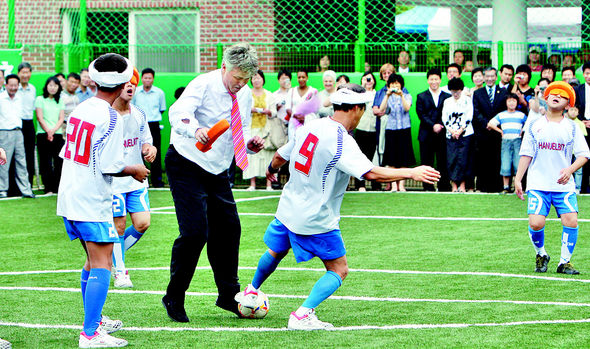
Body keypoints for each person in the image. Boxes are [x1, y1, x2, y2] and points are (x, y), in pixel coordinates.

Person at [234, 84, 440, 330]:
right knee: (339, 269)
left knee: (276, 251)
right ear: (355, 108)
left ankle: (251, 291)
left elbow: (280, 156)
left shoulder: (310, 126)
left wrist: (270, 170)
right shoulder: (342, 140)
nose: (360, 116)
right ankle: (302, 315)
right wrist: (412, 172)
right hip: (315, 218)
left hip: (287, 209)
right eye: (361, 111)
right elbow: (371, 173)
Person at [162, 43, 264, 323]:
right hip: (186, 161)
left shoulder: (242, 94)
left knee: (229, 228)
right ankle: (174, 296)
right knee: (195, 232)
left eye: (246, 80)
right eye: (237, 78)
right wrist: (195, 128)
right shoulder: (203, 84)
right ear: (224, 67)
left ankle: (228, 295)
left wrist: (250, 145)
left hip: (217, 169)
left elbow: (239, 128)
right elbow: (178, 112)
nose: (240, 84)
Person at [57, 53, 149, 348]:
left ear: (94, 79)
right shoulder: (112, 117)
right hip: (91, 198)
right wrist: (134, 169)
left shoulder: (82, 107)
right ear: (124, 82)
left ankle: (94, 321)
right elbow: (111, 165)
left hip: (69, 193)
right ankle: (90, 333)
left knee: (91, 260)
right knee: (102, 263)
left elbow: (69, 152)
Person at [515, 81, 590, 275]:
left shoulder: (572, 128)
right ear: (546, 98)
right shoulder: (534, 125)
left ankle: (564, 262)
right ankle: (541, 254)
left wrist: (569, 170)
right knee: (536, 223)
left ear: (568, 104)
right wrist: (518, 179)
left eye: (562, 95)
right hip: (538, 183)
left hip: (563, 186)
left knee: (571, 220)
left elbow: (584, 154)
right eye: (553, 93)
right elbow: (526, 153)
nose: (556, 96)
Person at [111, 67, 157, 288]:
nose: (130, 86)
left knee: (142, 223)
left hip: (136, 181)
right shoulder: (107, 115)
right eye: (126, 83)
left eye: (133, 83)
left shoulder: (138, 113)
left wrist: (150, 149)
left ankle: (110, 253)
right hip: (113, 182)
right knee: (118, 227)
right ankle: (120, 271)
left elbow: (146, 140)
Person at [416, 68, 452, 192]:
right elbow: (421, 114)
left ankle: (444, 187)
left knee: (443, 162)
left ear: (440, 80)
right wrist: (433, 125)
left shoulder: (447, 96)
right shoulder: (421, 96)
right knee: (427, 162)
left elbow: (448, 114)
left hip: (442, 134)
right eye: (431, 79)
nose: (434, 81)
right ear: (428, 80)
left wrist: (440, 125)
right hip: (426, 134)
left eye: (436, 79)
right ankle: (428, 187)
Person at [472, 66, 507, 193]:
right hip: (483, 132)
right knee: (483, 159)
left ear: (496, 77)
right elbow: (476, 112)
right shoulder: (477, 93)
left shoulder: (503, 92)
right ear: (483, 77)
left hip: (498, 132)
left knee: (497, 159)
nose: (490, 79)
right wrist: (487, 123)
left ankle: (497, 186)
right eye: (487, 76)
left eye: (492, 76)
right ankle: (482, 186)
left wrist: (495, 124)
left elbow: (504, 111)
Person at [378, 74, 415, 192]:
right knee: (391, 159)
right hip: (391, 129)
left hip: (404, 129)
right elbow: (381, 109)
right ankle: (394, 185)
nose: (395, 85)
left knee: (404, 158)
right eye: (392, 83)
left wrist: (401, 95)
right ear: (389, 85)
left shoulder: (407, 95)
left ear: (401, 85)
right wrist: (387, 96)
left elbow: (407, 108)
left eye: (397, 83)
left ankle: (402, 185)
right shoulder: (386, 95)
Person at [0, 74, 34, 198]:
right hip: (4, 132)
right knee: (3, 162)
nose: (13, 88)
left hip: (19, 132)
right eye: (11, 85)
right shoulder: (1, 97)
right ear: (6, 85)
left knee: (21, 161)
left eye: (16, 85)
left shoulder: (20, 98)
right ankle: (2, 190)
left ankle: (26, 190)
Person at [132, 68, 166, 188]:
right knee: (138, 152)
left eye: (150, 78)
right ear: (141, 79)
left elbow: (161, 109)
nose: (147, 80)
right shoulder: (136, 92)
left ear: (153, 79)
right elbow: (132, 108)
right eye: (145, 78)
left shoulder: (159, 93)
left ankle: (157, 181)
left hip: (154, 124)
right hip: (138, 124)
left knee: (154, 152)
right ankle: (141, 179)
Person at [487, 93, 527, 193]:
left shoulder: (521, 115)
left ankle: (516, 186)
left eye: (514, 100)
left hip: (517, 141)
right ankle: (506, 187)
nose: (511, 103)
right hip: (506, 141)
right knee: (505, 163)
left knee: (518, 164)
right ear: (506, 102)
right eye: (509, 101)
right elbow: (490, 124)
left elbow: (529, 124)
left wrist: (522, 130)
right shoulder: (502, 114)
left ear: (517, 102)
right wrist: (500, 131)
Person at [244, 70, 275, 191]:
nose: (256, 80)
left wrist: (268, 111)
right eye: (254, 78)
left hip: (266, 129)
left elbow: (274, 112)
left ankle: (269, 184)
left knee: (267, 155)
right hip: (251, 128)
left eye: (259, 78)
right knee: (252, 156)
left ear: (263, 79)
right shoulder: (247, 94)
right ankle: (252, 184)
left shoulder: (269, 94)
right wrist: (252, 110)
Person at [442, 78, 474, 192]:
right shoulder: (447, 101)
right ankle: (454, 185)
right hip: (451, 135)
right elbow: (444, 118)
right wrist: (452, 131)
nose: (455, 94)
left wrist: (461, 130)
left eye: (458, 91)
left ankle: (463, 185)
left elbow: (469, 116)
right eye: (453, 91)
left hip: (465, 134)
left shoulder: (467, 100)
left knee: (464, 159)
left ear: (461, 90)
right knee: (452, 159)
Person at [35, 76, 65, 194]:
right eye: (50, 85)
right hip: (43, 134)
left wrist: (53, 131)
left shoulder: (60, 101)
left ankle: (57, 187)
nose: (53, 88)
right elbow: (39, 117)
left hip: (57, 134)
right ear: (46, 86)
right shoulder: (40, 99)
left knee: (59, 161)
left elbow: (61, 118)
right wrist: (48, 131)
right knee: (45, 162)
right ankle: (47, 188)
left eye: (55, 86)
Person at [354, 72, 378, 191]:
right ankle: (360, 184)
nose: (368, 81)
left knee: (373, 157)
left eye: (370, 79)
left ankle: (375, 185)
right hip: (361, 128)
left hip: (373, 129)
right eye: (365, 79)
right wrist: (363, 88)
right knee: (360, 157)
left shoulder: (377, 94)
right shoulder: (359, 95)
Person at [17, 62, 37, 187]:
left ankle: (29, 183)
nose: (25, 75)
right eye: (23, 72)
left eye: (28, 72)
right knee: (18, 155)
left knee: (29, 154)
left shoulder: (33, 89)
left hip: (29, 124)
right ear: (18, 73)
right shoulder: (13, 88)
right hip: (17, 123)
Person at [286, 69, 319, 140]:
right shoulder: (291, 91)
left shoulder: (313, 91)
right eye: (299, 77)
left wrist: (305, 118)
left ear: (307, 78)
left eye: (303, 77)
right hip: (294, 123)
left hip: (309, 123)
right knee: (294, 144)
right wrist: (296, 116)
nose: (301, 79)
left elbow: (315, 109)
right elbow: (288, 108)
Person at [574, 61, 590, 193]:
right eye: (587, 73)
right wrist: (581, 121)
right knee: (583, 157)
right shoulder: (578, 89)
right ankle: (583, 188)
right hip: (582, 128)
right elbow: (575, 108)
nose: (589, 76)